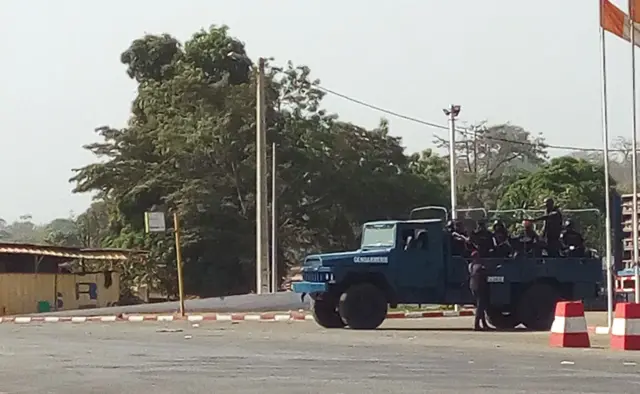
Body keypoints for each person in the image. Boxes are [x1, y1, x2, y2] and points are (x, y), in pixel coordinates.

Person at [468, 250, 490, 331]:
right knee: (480, 306)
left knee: (481, 305)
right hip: (479, 287)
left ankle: (484, 324)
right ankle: (476, 325)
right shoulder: (479, 266)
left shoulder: (470, 265)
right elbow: (486, 272)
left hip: (473, 286)